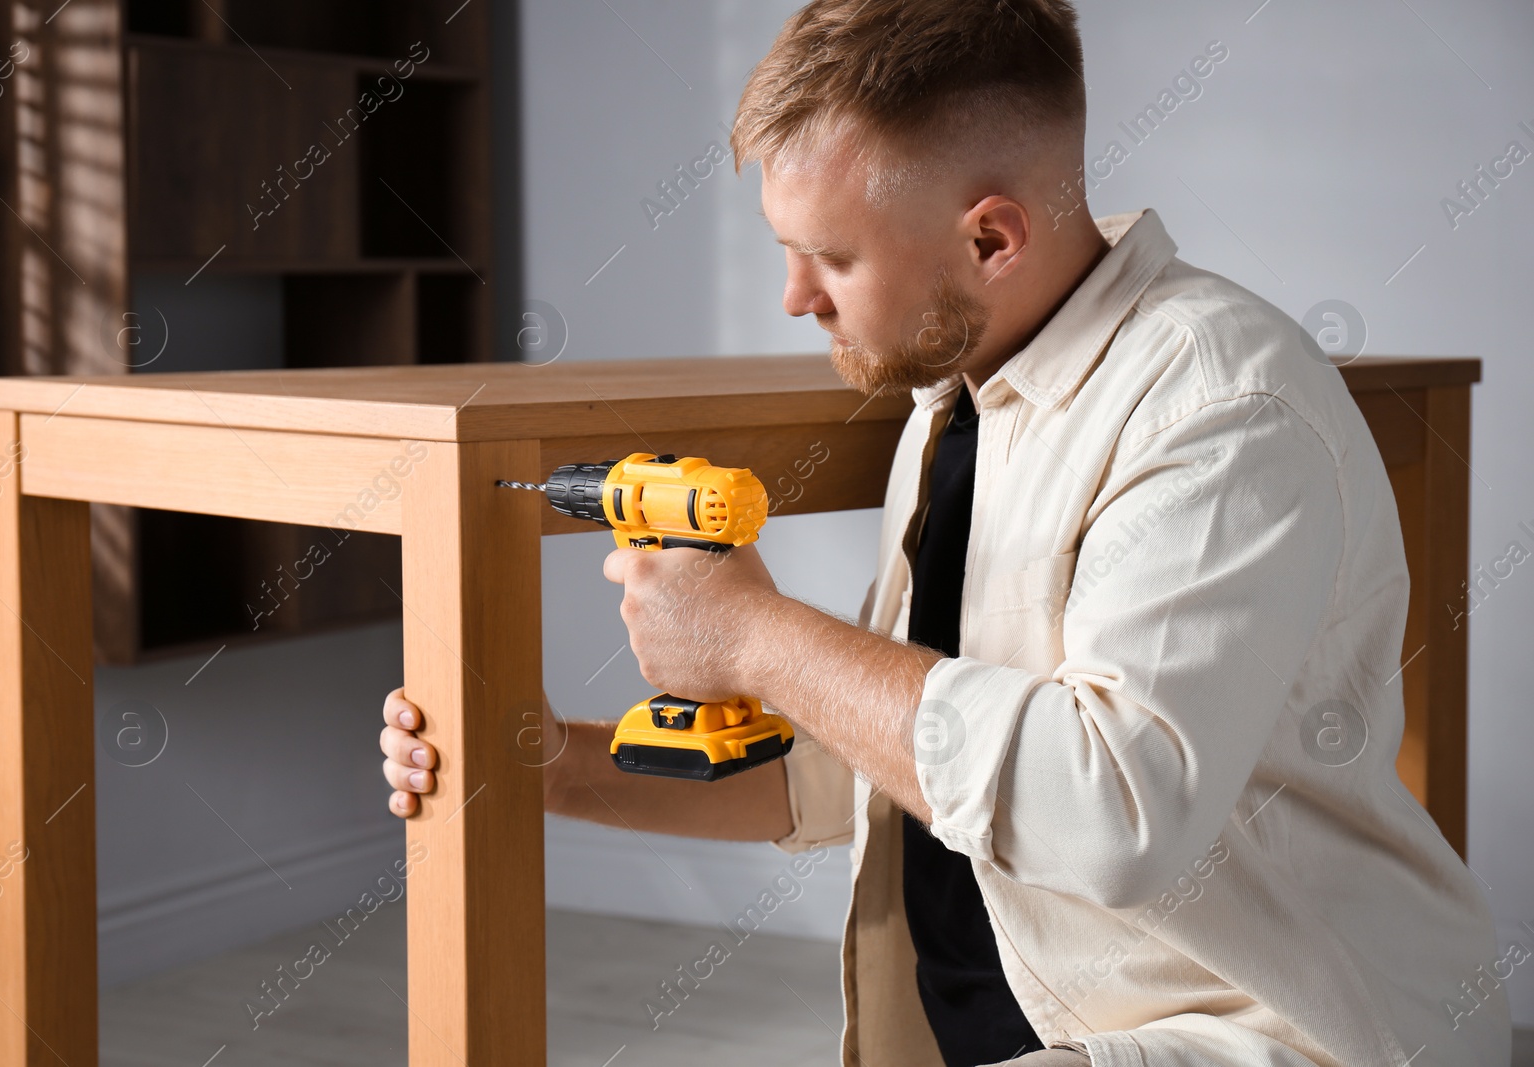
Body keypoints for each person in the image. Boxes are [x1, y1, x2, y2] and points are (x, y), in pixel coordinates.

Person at [379, 1, 1509, 1064]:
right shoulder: (959, 400)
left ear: (991, 239)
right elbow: (867, 760)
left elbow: (1111, 808)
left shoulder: (1217, 409)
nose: (793, 297)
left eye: (833, 256)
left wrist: (756, 638)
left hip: (1272, 1031)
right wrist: (549, 765)